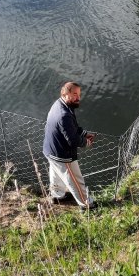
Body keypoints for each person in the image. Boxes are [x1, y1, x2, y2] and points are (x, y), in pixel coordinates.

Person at [42, 82, 97, 211]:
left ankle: (57, 196)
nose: (78, 98)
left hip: (50, 150)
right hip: (62, 155)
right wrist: (86, 142)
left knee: (55, 173)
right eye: (74, 94)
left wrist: (83, 133)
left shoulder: (59, 104)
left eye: (79, 94)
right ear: (65, 94)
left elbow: (69, 128)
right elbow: (72, 140)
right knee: (75, 180)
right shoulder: (64, 114)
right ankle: (87, 205)